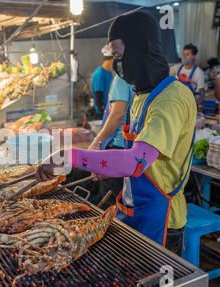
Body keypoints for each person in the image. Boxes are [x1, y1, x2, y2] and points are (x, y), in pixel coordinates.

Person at [36, 11, 196, 255]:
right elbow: (133, 150)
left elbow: (136, 161)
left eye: (119, 55)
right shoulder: (142, 95)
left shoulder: (171, 98)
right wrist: (104, 166)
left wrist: (68, 155)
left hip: (161, 219)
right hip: (132, 208)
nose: (117, 64)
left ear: (141, 49)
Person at [89, 75, 135, 150]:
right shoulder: (143, 74)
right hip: (135, 143)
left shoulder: (121, 77)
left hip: (118, 144)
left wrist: (97, 142)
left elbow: (118, 114)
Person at [91, 45, 114, 116]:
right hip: (102, 114)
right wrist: (103, 111)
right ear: (112, 59)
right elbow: (98, 97)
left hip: (109, 110)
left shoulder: (109, 73)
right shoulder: (99, 73)